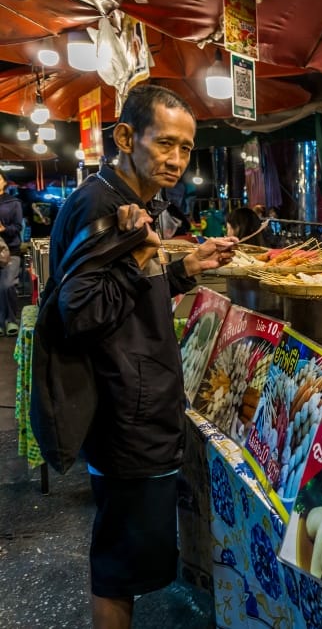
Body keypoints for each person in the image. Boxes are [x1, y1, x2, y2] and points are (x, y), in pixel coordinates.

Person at [47, 84, 237, 629]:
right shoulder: (102, 204)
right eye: (166, 144)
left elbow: (126, 296)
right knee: (118, 566)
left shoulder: (138, 199)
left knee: (130, 553)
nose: (177, 159)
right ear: (126, 137)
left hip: (138, 400)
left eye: (187, 147)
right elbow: (78, 316)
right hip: (123, 411)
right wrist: (137, 262)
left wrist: (183, 269)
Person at [0, 170, 23, 335]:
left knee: (7, 285)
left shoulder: (13, 202)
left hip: (11, 249)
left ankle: (11, 320)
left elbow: (18, 227)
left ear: (4, 182)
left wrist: (3, 229)